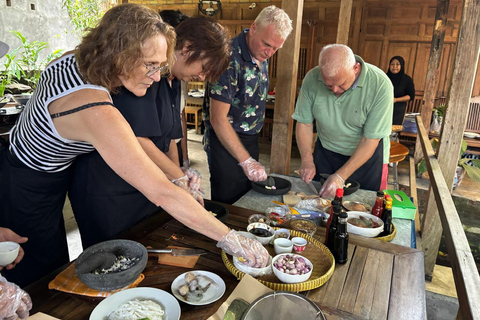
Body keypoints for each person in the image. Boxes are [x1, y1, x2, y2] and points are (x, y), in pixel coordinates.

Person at [0, 4, 267, 288]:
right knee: (36, 280)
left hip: (45, 174)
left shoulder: (79, 59)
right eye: (149, 65)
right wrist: (230, 237)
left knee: (52, 268)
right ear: (119, 53)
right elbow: (162, 192)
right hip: (27, 185)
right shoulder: (96, 109)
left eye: (161, 65)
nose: (156, 77)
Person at [69, 15, 231, 249]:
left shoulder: (174, 81)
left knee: (145, 251)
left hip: (146, 187)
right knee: (115, 259)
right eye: (204, 68)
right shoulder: (144, 75)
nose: (203, 78)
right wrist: (178, 179)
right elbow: (138, 138)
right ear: (187, 48)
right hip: (109, 188)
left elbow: (169, 140)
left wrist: (181, 177)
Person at [202, 5, 292, 204]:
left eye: (276, 48)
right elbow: (218, 119)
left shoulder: (260, 52)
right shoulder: (228, 58)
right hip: (225, 140)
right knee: (228, 200)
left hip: (250, 136)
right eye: (267, 44)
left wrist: (249, 158)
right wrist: (246, 160)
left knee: (247, 196)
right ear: (253, 28)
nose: (270, 52)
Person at [293, 44, 393, 197]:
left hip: (366, 157)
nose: (334, 90)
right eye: (328, 85)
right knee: (322, 204)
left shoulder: (380, 85)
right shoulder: (312, 78)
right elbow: (304, 123)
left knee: (362, 208)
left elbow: (370, 140)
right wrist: (307, 160)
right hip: (326, 151)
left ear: (356, 68)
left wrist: (340, 176)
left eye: (341, 84)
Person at [159, 10, 191, 168]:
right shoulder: (151, 79)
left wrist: (183, 160)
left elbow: (175, 127)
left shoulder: (177, 77)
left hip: (170, 153)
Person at [387, 56, 415, 125]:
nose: (394, 66)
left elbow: (410, 96)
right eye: (392, 64)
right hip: (384, 106)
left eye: (397, 64)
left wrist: (396, 100)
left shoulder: (406, 79)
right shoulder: (384, 77)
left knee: (394, 130)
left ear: (401, 66)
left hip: (398, 108)